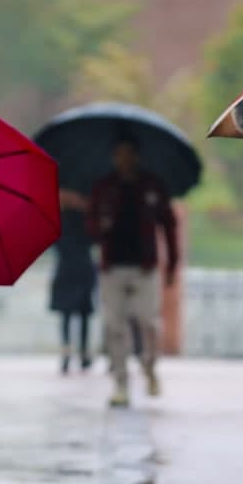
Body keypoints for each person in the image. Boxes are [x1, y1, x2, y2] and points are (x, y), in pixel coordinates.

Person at [86, 132, 178, 407]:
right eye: (119, 154)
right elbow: (90, 226)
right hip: (112, 266)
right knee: (115, 325)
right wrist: (100, 226)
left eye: (128, 153)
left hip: (144, 267)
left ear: (136, 156)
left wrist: (171, 263)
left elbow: (169, 226)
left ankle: (150, 365)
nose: (124, 159)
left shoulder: (152, 186)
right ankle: (120, 382)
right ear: (114, 157)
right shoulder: (104, 188)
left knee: (148, 322)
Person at [49, 188, 97, 373]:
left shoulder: (79, 219)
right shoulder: (64, 220)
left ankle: (78, 352)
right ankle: (71, 353)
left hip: (76, 268)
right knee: (71, 314)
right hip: (73, 268)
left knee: (78, 314)